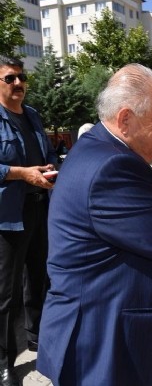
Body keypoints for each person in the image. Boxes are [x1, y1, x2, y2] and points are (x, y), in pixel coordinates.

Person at [36, 64, 152, 386]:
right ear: (126, 119)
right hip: (107, 343)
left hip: (106, 331)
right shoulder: (111, 167)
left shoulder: (102, 151)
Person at [0, 55, 57, 386]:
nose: (18, 84)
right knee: (5, 293)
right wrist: (22, 174)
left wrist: (51, 169)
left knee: (38, 279)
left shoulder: (33, 115)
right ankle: (5, 361)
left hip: (40, 210)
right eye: (10, 78)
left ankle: (38, 340)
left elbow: (48, 153)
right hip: (8, 217)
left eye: (21, 78)